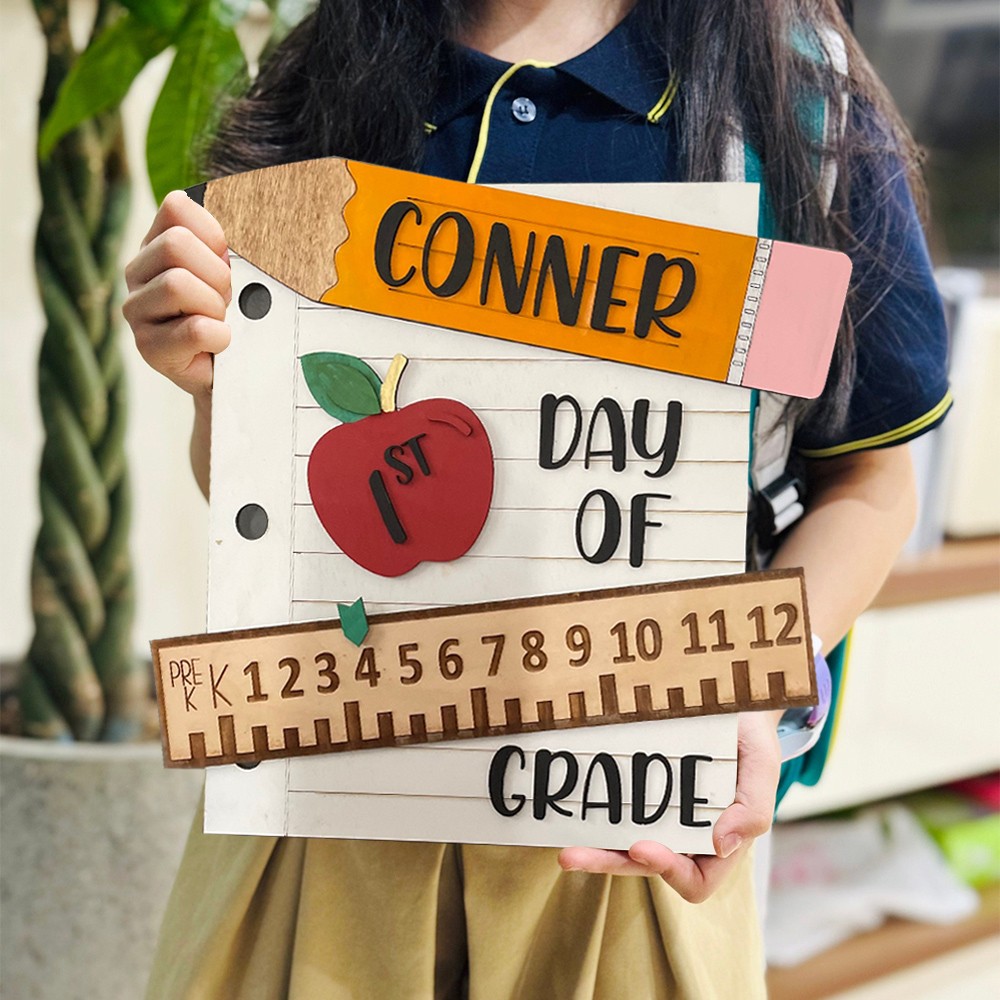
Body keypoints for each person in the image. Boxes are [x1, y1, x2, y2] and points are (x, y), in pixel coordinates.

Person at [123, 1, 950, 996]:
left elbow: (869, 478)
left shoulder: (793, 94)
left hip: (623, 824)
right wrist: (214, 383)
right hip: (331, 807)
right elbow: (261, 500)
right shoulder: (327, 66)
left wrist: (749, 685)